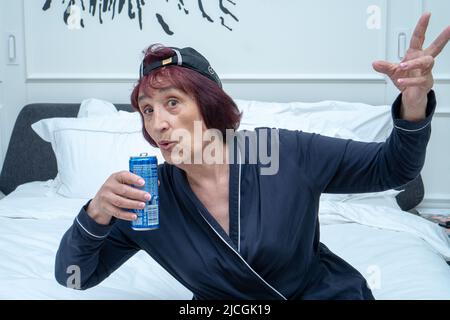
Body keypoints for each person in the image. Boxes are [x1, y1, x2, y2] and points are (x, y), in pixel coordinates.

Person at [55, 13, 449, 299]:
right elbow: (74, 278)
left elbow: (393, 168)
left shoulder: (283, 152)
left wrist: (413, 103)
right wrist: (95, 216)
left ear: (209, 107)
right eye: (147, 109)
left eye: (172, 102)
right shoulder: (147, 201)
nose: (157, 123)